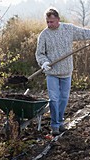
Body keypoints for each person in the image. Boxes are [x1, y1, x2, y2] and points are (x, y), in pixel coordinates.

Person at [35, 7, 90, 136]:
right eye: (47, 22)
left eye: (52, 22)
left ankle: (60, 122)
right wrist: (44, 62)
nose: (49, 24)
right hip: (52, 73)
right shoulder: (44, 35)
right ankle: (54, 125)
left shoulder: (68, 29)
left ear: (58, 20)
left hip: (66, 72)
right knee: (54, 99)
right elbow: (39, 53)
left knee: (63, 99)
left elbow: (83, 33)